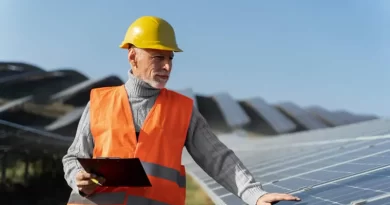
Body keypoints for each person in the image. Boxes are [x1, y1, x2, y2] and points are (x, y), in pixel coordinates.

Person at [62, 15, 300, 205]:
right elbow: (73, 157)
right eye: (158, 57)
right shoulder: (100, 102)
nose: (167, 66)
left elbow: (216, 156)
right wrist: (78, 179)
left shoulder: (182, 109)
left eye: (171, 58)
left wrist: (254, 195)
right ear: (133, 56)